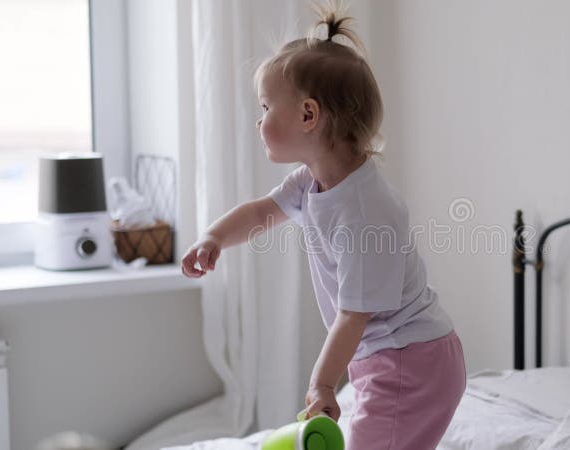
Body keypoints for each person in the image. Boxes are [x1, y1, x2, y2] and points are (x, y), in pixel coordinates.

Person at [181, 2, 466, 448]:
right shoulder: (314, 182)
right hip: (389, 357)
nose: (259, 120)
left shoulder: (367, 210)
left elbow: (353, 315)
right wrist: (214, 237)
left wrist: (321, 383)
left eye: (266, 106)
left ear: (308, 116)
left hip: (411, 364)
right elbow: (261, 213)